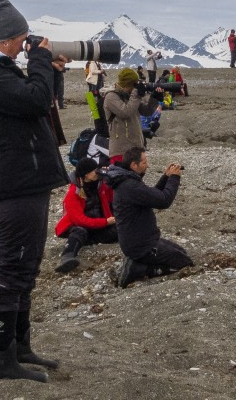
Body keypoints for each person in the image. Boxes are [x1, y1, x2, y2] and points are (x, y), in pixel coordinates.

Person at [0, 0, 70, 383]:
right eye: (24, 39)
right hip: (12, 187)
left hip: (25, 183)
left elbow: (41, 105)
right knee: (11, 271)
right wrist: (39, 62)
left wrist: (51, 70)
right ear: (8, 39)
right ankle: (1, 362)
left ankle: (20, 348)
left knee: (26, 268)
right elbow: (33, 99)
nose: (28, 45)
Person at [107, 147, 194, 288]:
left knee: (181, 253)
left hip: (142, 240)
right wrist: (174, 178)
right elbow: (164, 201)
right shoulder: (130, 186)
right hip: (141, 246)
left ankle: (137, 263)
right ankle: (137, 270)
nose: (147, 165)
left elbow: (151, 196)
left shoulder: (128, 180)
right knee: (184, 263)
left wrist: (166, 177)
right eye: (144, 162)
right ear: (133, 165)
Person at [53, 158, 118, 273]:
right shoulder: (73, 193)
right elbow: (79, 220)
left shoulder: (99, 183)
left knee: (117, 230)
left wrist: (111, 177)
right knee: (80, 231)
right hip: (77, 226)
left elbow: (113, 196)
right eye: (95, 170)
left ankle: (86, 240)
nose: (98, 172)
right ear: (86, 175)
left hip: (96, 224)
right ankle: (67, 256)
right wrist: (105, 222)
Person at [102, 68, 161, 164]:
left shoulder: (130, 95)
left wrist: (155, 98)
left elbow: (146, 111)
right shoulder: (111, 97)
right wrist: (136, 94)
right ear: (127, 84)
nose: (136, 86)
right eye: (135, 84)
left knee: (137, 178)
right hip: (120, 150)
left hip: (137, 147)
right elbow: (125, 112)